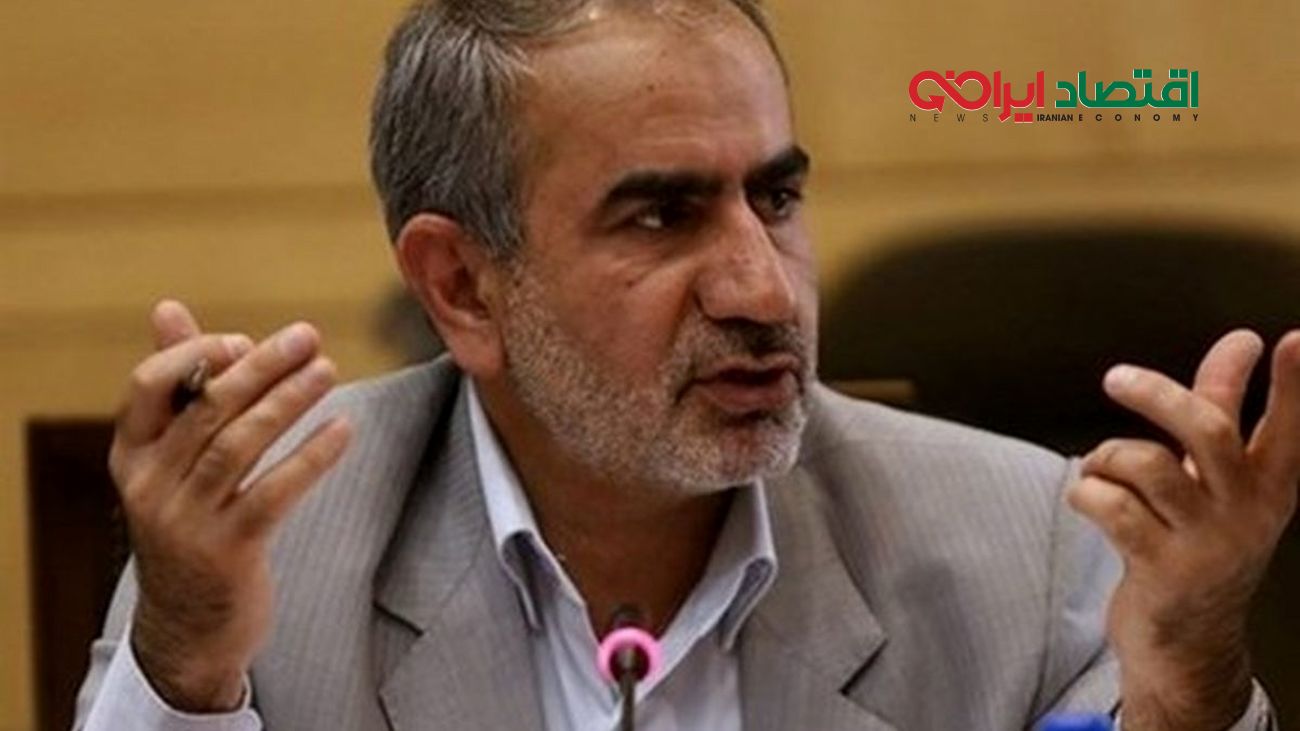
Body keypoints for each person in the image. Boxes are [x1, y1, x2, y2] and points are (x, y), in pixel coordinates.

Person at [74, 1, 1295, 729]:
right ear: (461, 285)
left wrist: (1186, 682)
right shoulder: (269, 548)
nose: (763, 289)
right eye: (660, 216)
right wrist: (187, 659)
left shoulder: (1024, 544)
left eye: (777, 197)